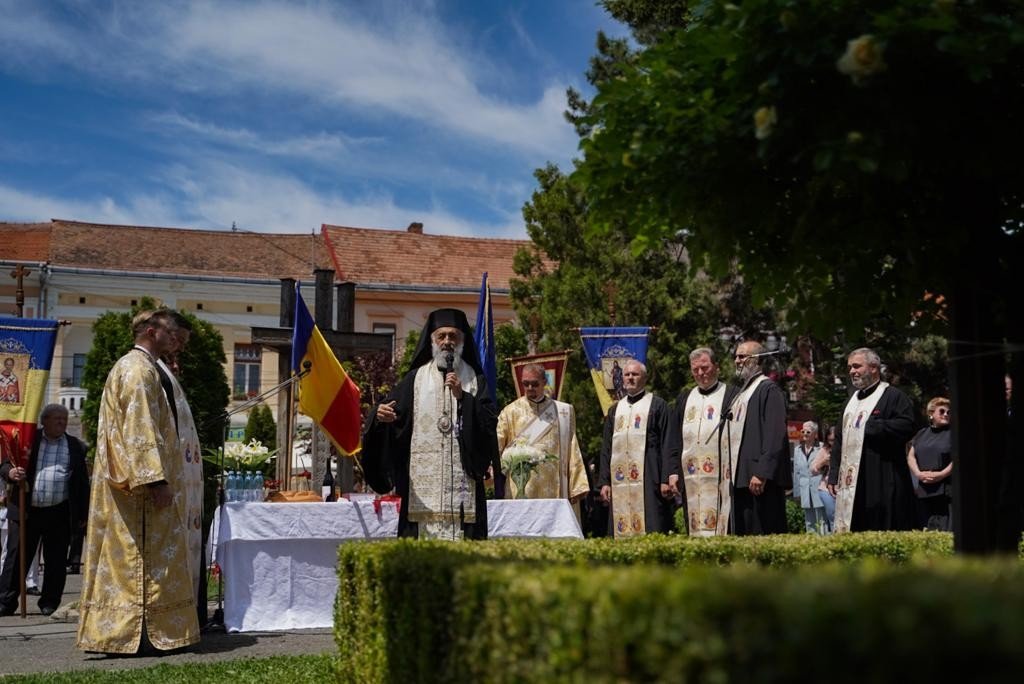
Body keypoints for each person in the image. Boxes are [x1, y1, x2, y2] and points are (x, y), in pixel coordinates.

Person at [76, 309, 200, 654]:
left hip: (137, 487)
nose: (178, 345)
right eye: (174, 336)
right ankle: (141, 635)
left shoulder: (144, 368)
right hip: (139, 492)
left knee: (138, 561)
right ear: (151, 330)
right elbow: (139, 429)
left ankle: (138, 633)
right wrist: (155, 480)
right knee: (140, 560)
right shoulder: (137, 370)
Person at [362, 309, 498, 540]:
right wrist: (379, 416)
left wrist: (464, 399)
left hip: (464, 497)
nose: (447, 342)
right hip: (421, 498)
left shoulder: (475, 378)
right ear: (432, 340)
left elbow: (488, 425)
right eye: (441, 336)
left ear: (462, 340)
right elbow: (392, 417)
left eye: (453, 336)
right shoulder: (414, 379)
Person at [0, 404, 88, 616]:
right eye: (56, 418)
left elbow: (82, 483)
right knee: (17, 557)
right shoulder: (27, 441)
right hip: (27, 510)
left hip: (59, 512)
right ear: (44, 420)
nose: (61, 422)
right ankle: (6, 601)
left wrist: (83, 515)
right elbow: (4, 464)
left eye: (64, 419)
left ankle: (49, 601)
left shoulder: (76, 446)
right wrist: (11, 473)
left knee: (56, 560)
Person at [827, 347, 917, 532]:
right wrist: (834, 474)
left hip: (883, 477)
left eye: (857, 366)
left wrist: (873, 427)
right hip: (852, 483)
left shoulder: (893, 396)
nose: (852, 371)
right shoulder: (849, 402)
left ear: (874, 367)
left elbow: (908, 425)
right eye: (850, 367)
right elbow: (838, 440)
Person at [157, 312, 206, 623]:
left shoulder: (164, 372)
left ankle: (191, 615)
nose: (181, 351)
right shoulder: (147, 371)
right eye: (180, 342)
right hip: (165, 484)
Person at [666, 347, 738, 536]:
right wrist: (673, 472)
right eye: (695, 369)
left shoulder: (732, 395)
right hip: (691, 477)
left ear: (717, 367)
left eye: (704, 368)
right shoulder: (684, 399)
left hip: (722, 476)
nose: (700, 373)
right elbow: (673, 439)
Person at [598, 360, 674, 537]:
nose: (630, 378)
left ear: (645, 378)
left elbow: (667, 443)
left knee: (651, 524)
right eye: (627, 374)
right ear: (622, 378)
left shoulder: (658, 405)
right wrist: (604, 482)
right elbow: (606, 448)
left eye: (635, 374)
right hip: (619, 481)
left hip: (649, 477)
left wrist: (665, 478)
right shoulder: (614, 410)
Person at [496, 364, 589, 502]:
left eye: (534, 384)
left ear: (544, 382)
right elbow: (497, 444)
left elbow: (572, 447)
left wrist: (576, 484)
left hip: (554, 486)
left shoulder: (563, 412)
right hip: (521, 486)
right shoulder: (510, 412)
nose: (529, 388)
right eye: (525, 384)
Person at [727, 341, 791, 535]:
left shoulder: (768, 390)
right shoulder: (741, 393)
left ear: (757, 360)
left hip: (760, 479)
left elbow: (775, 434)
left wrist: (762, 472)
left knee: (762, 532)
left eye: (743, 356)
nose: (737, 361)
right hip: (740, 478)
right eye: (736, 357)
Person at [907, 397, 953, 531]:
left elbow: (958, 457)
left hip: (947, 488)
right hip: (925, 488)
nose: (946, 414)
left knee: (947, 528)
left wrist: (941, 474)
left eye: (949, 412)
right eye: (942, 411)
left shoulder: (954, 432)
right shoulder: (922, 433)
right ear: (931, 414)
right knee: (929, 528)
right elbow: (910, 456)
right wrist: (918, 474)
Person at [792, 420, 827, 534]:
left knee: (821, 519)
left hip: (819, 488)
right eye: (803, 431)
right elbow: (797, 472)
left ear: (815, 433)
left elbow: (826, 469)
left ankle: (824, 542)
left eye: (808, 431)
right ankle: (811, 542)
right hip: (804, 489)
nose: (805, 434)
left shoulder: (822, 447)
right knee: (809, 521)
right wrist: (797, 492)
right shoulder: (797, 450)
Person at [810, 426, 837, 533]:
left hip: (843, 488)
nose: (833, 443)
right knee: (833, 517)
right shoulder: (824, 450)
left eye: (835, 440)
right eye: (830, 440)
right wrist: (823, 462)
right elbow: (812, 469)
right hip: (826, 489)